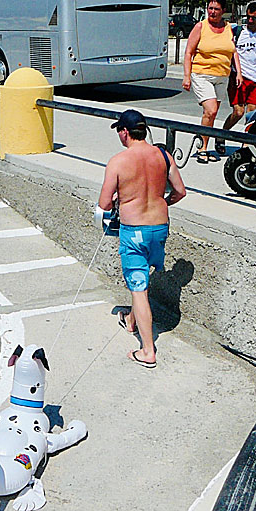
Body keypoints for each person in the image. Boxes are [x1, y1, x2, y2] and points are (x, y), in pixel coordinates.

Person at [97, 110, 186, 368]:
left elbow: (104, 204)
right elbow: (180, 191)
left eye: (119, 132)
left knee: (138, 288)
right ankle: (132, 321)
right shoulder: (163, 156)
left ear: (125, 132)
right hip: (159, 227)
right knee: (144, 275)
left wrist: (119, 201)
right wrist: (162, 202)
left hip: (134, 229)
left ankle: (147, 350)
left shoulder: (118, 161)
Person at [182, 0, 242, 164]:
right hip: (202, 75)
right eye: (210, 8)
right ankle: (202, 149)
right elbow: (188, 52)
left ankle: (204, 142)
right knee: (211, 110)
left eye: (216, 9)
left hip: (222, 76)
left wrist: (238, 72)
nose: (212, 12)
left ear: (223, 10)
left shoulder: (229, 27)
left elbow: (233, 51)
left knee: (211, 115)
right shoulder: (201, 27)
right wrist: (187, 76)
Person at [215, 1, 256, 154]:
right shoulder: (237, 31)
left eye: (254, 18)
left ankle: (246, 146)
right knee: (238, 112)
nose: (250, 21)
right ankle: (221, 135)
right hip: (238, 78)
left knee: (251, 114)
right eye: (248, 17)